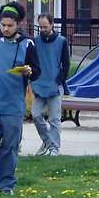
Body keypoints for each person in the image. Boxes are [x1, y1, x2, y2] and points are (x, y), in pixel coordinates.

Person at [0, 2, 40, 195]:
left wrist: (29, 71)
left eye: (9, 25)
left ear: (18, 24)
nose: (5, 29)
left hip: (13, 105)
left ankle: (6, 183)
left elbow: (37, 71)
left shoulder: (27, 44)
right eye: (3, 25)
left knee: (9, 146)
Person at [30, 13, 70, 156]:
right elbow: (32, 63)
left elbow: (66, 65)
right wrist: (34, 80)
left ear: (52, 24)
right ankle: (47, 141)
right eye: (40, 27)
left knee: (54, 119)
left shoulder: (61, 41)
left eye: (45, 27)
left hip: (54, 85)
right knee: (35, 115)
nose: (42, 29)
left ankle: (54, 148)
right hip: (39, 85)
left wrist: (59, 80)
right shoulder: (35, 42)